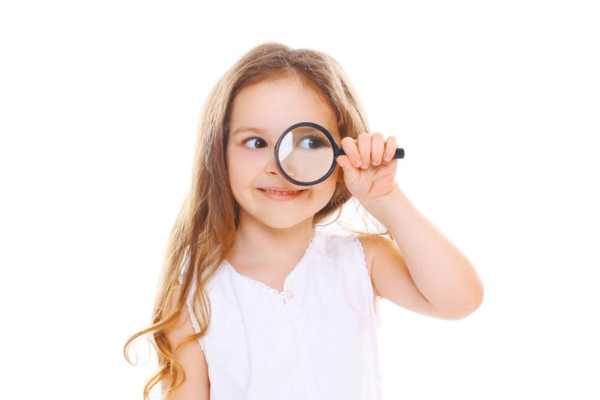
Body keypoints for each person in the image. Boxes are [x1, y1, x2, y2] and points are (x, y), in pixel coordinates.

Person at [124, 42, 484, 400]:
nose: (280, 166)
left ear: (342, 154)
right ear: (219, 156)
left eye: (308, 143)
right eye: (254, 142)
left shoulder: (362, 261)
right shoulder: (196, 295)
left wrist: (386, 199)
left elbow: (460, 300)